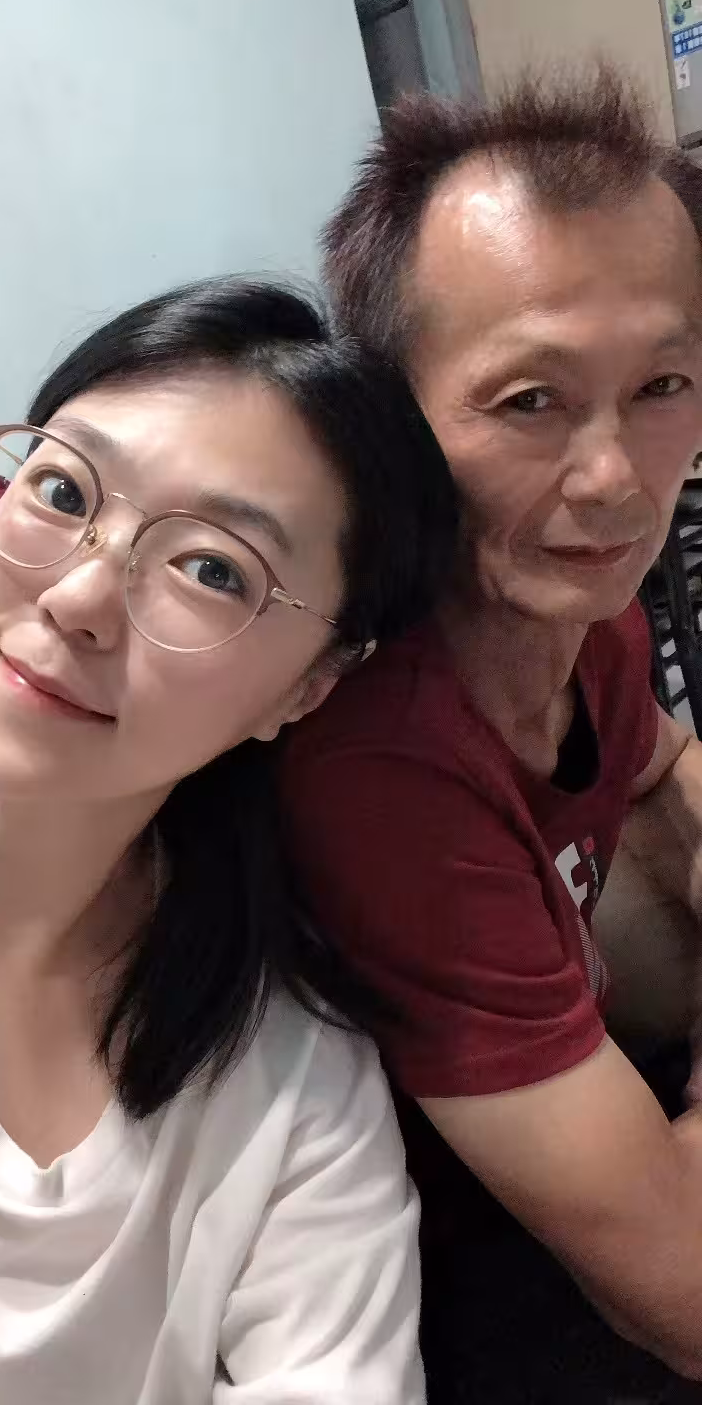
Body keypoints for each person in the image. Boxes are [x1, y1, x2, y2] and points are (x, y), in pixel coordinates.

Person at [0, 277, 458, 1405]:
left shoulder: (294, 1099)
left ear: (307, 688)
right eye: (62, 487)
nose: (78, 595)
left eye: (213, 568)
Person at [281, 69, 702, 1401]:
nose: (615, 481)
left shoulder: (584, 616)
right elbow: (684, 1306)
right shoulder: (376, 759)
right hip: (451, 1276)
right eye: (530, 401)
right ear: (386, 423)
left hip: (601, 1112)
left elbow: (665, 763)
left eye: (663, 384)